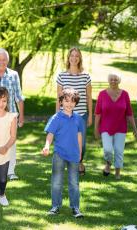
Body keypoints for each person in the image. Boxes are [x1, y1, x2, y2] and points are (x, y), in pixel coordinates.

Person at [42, 88, 84, 218]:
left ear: (76, 103)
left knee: (74, 183)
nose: (69, 104)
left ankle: (75, 208)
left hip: (74, 155)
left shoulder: (78, 119)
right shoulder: (56, 118)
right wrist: (47, 146)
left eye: (72, 101)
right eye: (66, 101)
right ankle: (55, 206)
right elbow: (50, 134)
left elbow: (79, 137)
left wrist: (80, 155)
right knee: (57, 181)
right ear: (60, 102)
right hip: (59, 154)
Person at [56, 47, 92, 176]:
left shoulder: (86, 76)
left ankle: (80, 161)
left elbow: (89, 97)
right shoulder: (61, 76)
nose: (74, 58)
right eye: (72, 55)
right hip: (65, 115)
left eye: (77, 56)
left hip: (81, 115)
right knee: (66, 140)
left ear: (80, 58)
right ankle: (72, 164)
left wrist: (90, 115)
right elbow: (58, 97)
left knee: (81, 143)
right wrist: (57, 115)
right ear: (68, 58)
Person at [94, 73, 137, 179]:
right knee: (108, 150)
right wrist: (96, 129)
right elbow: (98, 113)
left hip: (120, 127)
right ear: (108, 81)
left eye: (115, 79)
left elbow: (129, 113)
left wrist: (135, 129)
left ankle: (118, 173)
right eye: (111, 79)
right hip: (105, 127)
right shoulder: (102, 94)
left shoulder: (125, 94)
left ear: (119, 81)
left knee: (119, 151)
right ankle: (108, 164)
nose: (113, 81)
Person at [0, 48, 24, 181]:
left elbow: (19, 96)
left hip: (11, 114)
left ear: (7, 61)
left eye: (4, 59)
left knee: (11, 142)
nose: (1, 62)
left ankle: (11, 171)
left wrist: (21, 116)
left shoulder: (13, 75)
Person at [0, 87, 17, 206]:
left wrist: (5, 147)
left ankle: (2, 194)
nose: (1, 104)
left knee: (2, 180)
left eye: (4, 101)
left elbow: (13, 137)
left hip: (4, 151)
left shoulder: (11, 117)